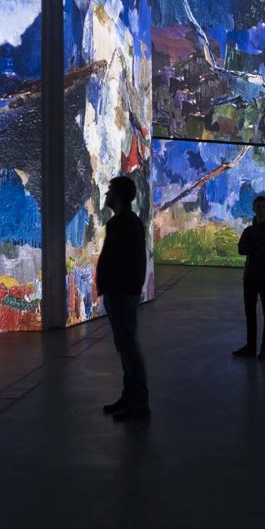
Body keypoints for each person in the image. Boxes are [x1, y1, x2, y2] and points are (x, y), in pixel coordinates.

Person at [97, 176, 150, 421]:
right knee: (125, 348)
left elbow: (131, 262)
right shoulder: (124, 222)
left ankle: (138, 404)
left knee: (129, 349)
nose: (106, 195)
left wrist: (123, 289)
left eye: (109, 191)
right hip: (119, 293)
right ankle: (129, 397)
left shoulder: (125, 224)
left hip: (121, 294)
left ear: (117, 196)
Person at [233, 196, 265, 361]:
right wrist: (256, 245)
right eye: (258, 206)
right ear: (254, 209)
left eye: (263, 206)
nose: (260, 209)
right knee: (250, 312)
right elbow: (241, 249)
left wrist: (252, 246)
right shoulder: (248, 231)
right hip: (251, 276)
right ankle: (251, 347)